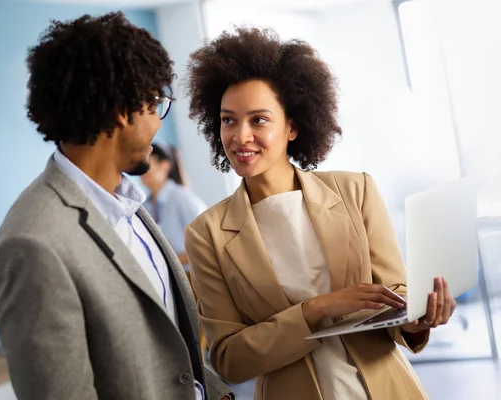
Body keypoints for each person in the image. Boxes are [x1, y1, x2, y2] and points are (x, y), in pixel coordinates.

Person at [183, 27, 457, 400]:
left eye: (258, 120)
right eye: (228, 120)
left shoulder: (355, 190)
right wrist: (316, 309)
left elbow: (394, 295)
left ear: (293, 126)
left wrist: (418, 317)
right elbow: (230, 359)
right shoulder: (207, 233)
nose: (240, 136)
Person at [0, 13, 232, 400]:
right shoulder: (33, 243)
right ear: (124, 108)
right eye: (155, 105)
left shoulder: (129, 203)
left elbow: (172, 350)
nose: (157, 123)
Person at [141, 143, 207, 270]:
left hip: (193, 277)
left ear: (165, 165)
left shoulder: (182, 197)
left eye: (147, 163)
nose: (142, 170)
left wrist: (166, 263)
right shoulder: (144, 206)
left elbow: (206, 243)